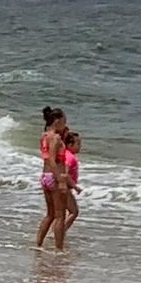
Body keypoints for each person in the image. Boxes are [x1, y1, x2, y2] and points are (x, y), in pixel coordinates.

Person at [33, 106, 70, 250]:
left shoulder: (44, 136)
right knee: (60, 215)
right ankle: (59, 248)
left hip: (45, 176)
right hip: (54, 177)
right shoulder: (55, 138)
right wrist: (60, 180)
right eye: (64, 121)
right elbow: (53, 161)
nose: (65, 124)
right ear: (58, 121)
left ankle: (38, 243)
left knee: (50, 214)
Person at [61, 131, 83, 235]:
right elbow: (65, 174)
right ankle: (60, 232)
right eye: (78, 144)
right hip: (64, 187)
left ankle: (58, 231)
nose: (80, 147)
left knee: (60, 213)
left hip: (62, 187)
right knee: (74, 212)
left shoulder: (65, 153)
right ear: (70, 145)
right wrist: (75, 187)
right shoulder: (70, 158)